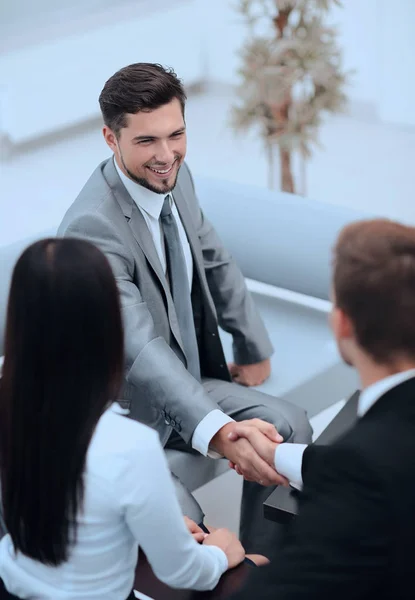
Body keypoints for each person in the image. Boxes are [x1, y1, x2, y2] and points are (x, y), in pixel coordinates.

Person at [57, 62, 312, 555]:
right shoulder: (93, 227)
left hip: (192, 377)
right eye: (147, 141)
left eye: (176, 135)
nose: (166, 154)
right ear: (111, 139)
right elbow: (141, 347)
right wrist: (220, 431)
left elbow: (213, 257)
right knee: (187, 527)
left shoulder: (176, 175)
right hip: (131, 411)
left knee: (292, 425)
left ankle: (262, 569)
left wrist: (251, 343)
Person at [0, 238, 251, 599]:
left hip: (14, 585)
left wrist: (150, 528)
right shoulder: (126, 444)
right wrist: (220, 551)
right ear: (106, 324)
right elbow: (182, 572)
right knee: (254, 565)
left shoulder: (13, 406)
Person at [229, 219, 415, 599]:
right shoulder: (373, 455)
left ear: (342, 324)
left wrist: (225, 559)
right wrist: (278, 456)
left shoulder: (360, 476)